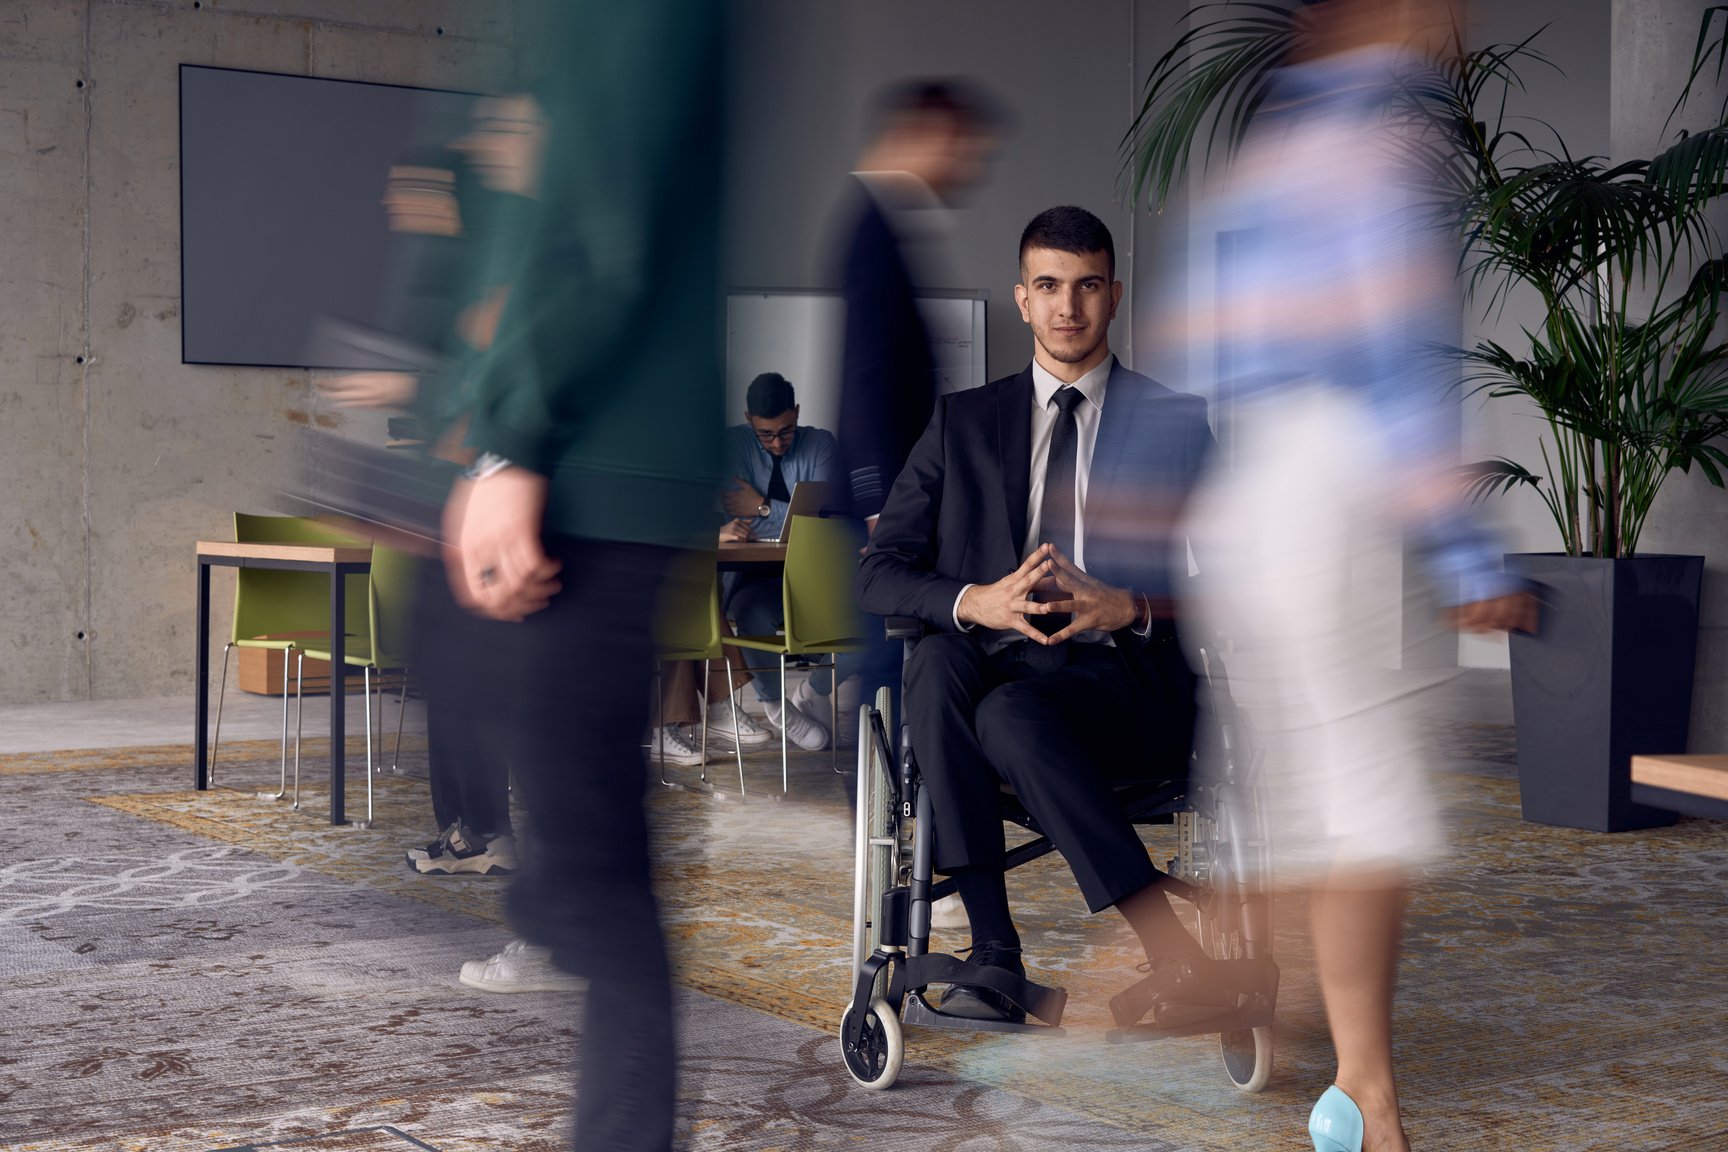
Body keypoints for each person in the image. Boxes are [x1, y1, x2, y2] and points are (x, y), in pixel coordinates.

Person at [1173, 2, 1534, 1148]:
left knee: (1334, 816)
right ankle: (1362, 1093)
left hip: (1252, 501)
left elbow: (1202, 343)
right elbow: (1398, 364)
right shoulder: (1384, 145)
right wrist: (1466, 547)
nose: (1459, 26)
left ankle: (1356, 1090)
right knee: (1370, 815)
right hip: (1334, 498)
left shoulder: (1266, 153)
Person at [438, 2, 724, 1149]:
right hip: (610, 458)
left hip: (598, 463)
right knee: (592, 863)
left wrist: (514, 435)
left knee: (599, 879)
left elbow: (600, 211)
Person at [855, 206, 1230, 1025]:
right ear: (1022, 299)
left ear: (1115, 296)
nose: (1070, 307)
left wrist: (1129, 605)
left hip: (1121, 682)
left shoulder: (1174, 422)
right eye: (1051, 286)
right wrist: (973, 601)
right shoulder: (963, 422)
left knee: (1008, 712)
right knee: (942, 663)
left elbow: (1246, 580)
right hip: (992, 668)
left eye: (1088, 285)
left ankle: (1132, 953)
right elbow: (880, 574)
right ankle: (998, 954)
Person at [720, 371, 845, 750]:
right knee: (752, 615)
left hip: (814, 575)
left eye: (786, 431)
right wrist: (782, 514)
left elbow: (824, 519)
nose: (777, 442)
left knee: (868, 617)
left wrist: (759, 506)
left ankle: (816, 687)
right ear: (748, 420)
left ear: (797, 412)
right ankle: (775, 708)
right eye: (766, 434)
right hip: (750, 578)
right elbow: (726, 514)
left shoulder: (821, 444)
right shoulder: (730, 445)